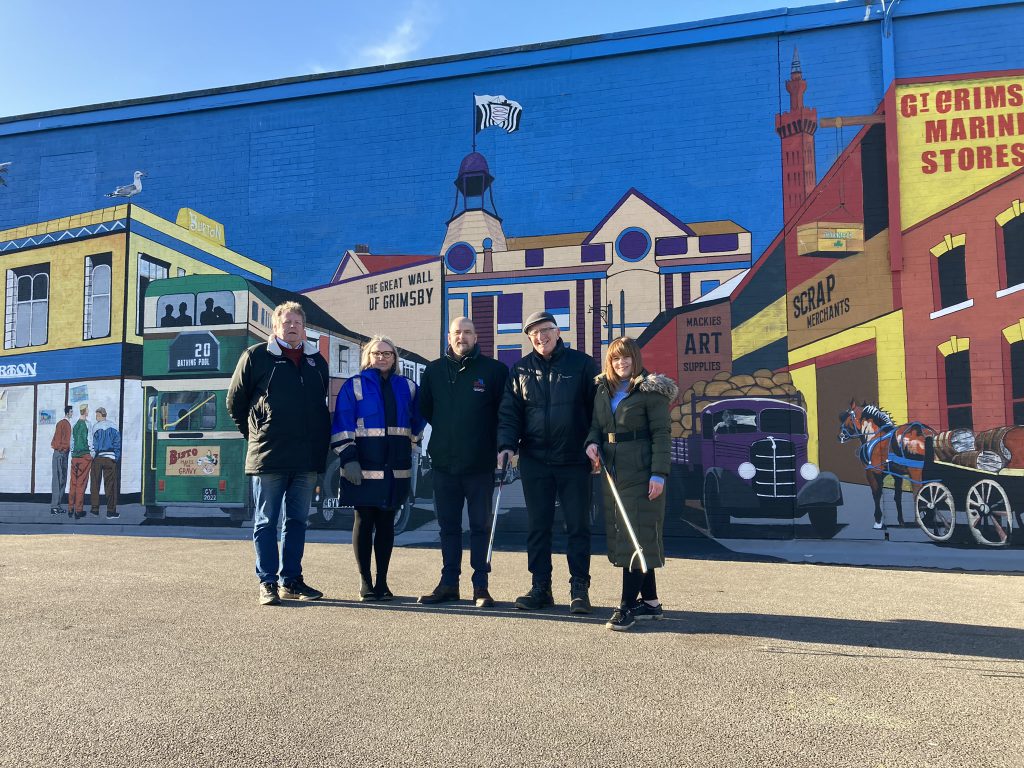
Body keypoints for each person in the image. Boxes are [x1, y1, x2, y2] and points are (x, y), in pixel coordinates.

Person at [227, 301, 330, 606]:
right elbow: (235, 401)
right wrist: (255, 436)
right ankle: (267, 582)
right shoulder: (256, 356)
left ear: (305, 328)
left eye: (298, 322)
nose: (292, 326)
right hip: (269, 457)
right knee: (266, 521)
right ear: (275, 327)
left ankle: (291, 580)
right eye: (286, 322)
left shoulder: (316, 361)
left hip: (305, 459)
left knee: (297, 521)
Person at [497, 311, 600, 614]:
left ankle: (579, 588)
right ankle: (540, 587)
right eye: (534, 333)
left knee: (578, 525)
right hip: (535, 460)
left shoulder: (582, 365)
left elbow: (598, 411)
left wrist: (594, 440)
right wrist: (505, 445)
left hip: (573, 459)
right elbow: (509, 414)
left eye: (546, 330)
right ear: (530, 339)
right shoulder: (519, 371)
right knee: (538, 526)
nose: (541, 337)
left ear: (557, 332)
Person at [585, 337, 676, 631]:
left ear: (635, 359)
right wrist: (591, 444)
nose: (620, 363)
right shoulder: (603, 390)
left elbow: (662, 435)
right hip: (614, 473)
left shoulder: (651, 391)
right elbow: (596, 427)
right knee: (633, 534)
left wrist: (658, 473)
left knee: (635, 536)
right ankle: (650, 602)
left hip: (641, 472)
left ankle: (626, 606)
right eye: (615, 359)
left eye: (625, 358)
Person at [417, 317, 508, 608]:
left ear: (476, 336)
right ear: (449, 336)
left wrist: (501, 447)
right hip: (444, 464)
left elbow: (503, 413)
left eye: (467, 332)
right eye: (457, 332)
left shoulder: (494, 371)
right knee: (448, 527)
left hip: (480, 465)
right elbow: (427, 409)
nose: (462, 337)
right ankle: (448, 584)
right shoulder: (433, 371)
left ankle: (480, 586)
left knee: (480, 527)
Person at [331, 335, 425, 602]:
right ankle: (365, 582)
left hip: (396, 467)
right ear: (367, 357)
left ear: (395, 358)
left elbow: (418, 419)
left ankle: (382, 582)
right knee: (364, 520)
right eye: (376, 353)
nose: (382, 358)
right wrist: (349, 459)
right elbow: (342, 422)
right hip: (362, 466)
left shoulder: (408, 386)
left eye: (387, 353)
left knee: (386, 524)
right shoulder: (354, 386)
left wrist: (412, 441)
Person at [89, 407, 122, 519]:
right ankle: (111, 511)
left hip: (98, 459)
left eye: (97, 415)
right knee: (111, 486)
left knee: (95, 484)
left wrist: (93, 457)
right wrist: (115, 458)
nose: (96, 417)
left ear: (101, 415)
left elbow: (94, 445)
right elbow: (117, 444)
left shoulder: (95, 427)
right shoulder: (114, 426)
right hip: (110, 459)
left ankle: (94, 509)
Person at [68, 404, 93, 520]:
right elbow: (90, 441)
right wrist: (92, 454)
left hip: (75, 457)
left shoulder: (75, 425)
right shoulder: (88, 424)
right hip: (84, 456)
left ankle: (70, 509)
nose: (88, 411)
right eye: (87, 409)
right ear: (85, 411)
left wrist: (73, 453)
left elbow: (72, 442)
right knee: (81, 484)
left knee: (73, 483)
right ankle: (78, 510)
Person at [50, 406, 73, 515]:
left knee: (61, 480)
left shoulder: (64, 423)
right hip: (60, 454)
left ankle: (57, 506)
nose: (72, 413)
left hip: (62, 454)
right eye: (71, 411)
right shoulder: (64, 423)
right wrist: (62, 449)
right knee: (58, 480)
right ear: (68, 412)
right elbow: (58, 440)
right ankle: (55, 506)